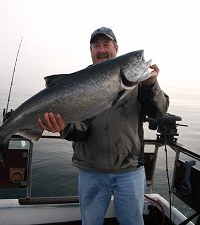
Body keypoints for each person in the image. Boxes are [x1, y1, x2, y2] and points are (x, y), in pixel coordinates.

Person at [38, 27, 169, 225]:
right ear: (91, 51)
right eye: (96, 45)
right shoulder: (79, 83)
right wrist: (63, 128)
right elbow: (81, 131)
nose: (101, 49)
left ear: (116, 49)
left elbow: (159, 111)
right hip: (91, 170)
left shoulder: (141, 85)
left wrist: (152, 85)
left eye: (106, 44)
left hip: (129, 170)